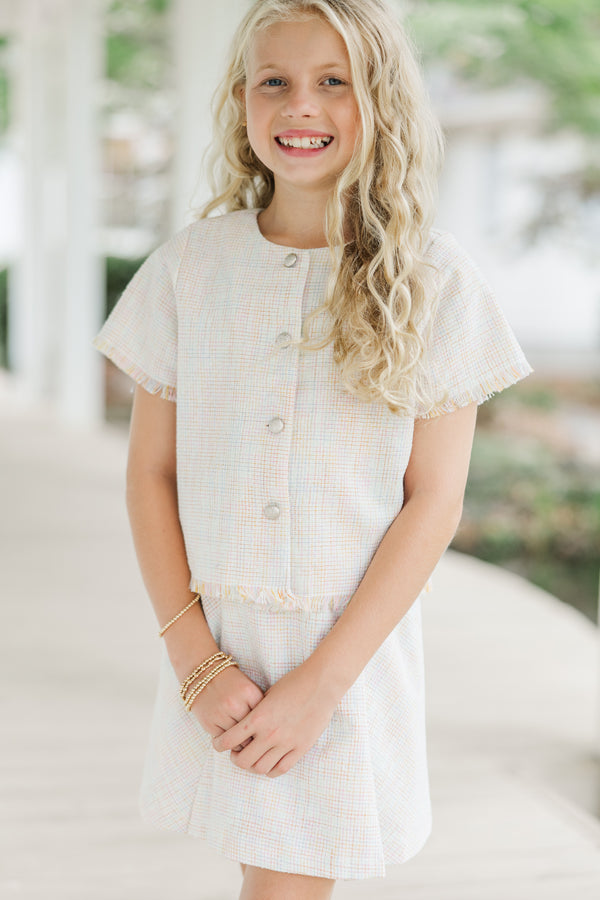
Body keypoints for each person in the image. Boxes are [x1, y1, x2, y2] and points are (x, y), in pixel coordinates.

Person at [92, 1, 532, 897]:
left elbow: (433, 503)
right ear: (242, 101)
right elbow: (150, 474)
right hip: (220, 652)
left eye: (335, 83)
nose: (302, 107)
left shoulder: (434, 283)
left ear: (382, 102)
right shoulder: (189, 269)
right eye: (275, 82)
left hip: (346, 660)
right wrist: (196, 663)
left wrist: (322, 686)